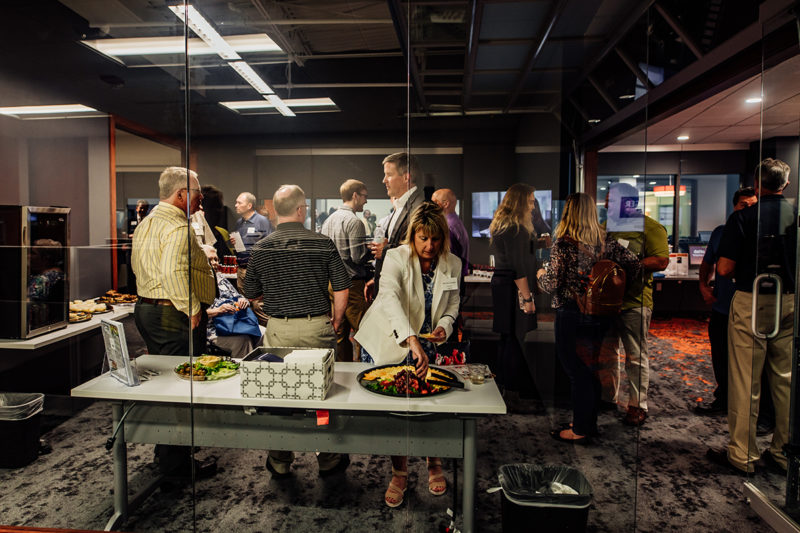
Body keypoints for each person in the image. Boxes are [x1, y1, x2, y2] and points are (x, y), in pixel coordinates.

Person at [355, 202, 461, 507]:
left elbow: (452, 305)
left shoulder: (453, 264)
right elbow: (388, 299)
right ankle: (399, 473)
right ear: (412, 236)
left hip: (429, 342)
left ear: (443, 238)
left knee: (432, 407)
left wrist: (444, 325)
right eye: (423, 238)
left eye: (435, 239)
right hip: (394, 338)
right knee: (398, 411)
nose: (429, 246)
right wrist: (412, 339)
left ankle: (433, 464)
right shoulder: (395, 258)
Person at [243, 184, 351, 479]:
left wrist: (272, 305)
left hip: (278, 329)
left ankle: (279, 459)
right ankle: (328, 458)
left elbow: (250, 292)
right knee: (324, 395)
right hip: (318, 325)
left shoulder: (262, 248)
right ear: (301, 210)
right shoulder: (323, 243)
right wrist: (337, 321)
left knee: (279, 396)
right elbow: (342, 288)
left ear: (275, 211)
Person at [707, 158, 796, 475]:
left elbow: (726, 268)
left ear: (757, 184)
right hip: (789, 301)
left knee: (746, 380)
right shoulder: (795, 216)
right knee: (786, 382)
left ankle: (743, 456)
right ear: (785, 185)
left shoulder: (744, 217)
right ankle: (785, 452)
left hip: (752, 299)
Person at [131, 166, 217, 478]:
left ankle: (168, 455)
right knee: (180, 390)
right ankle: (176, 467)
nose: (201, 199)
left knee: (168, 385)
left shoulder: (149, 222)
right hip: (173, 313)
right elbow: (173, 272)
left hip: (150, 309)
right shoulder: (178, 227)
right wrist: (192, 308)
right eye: (197, 193)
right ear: (181, 195)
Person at [537, 193, 641, 443]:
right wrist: (612, 289)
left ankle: (581, 430)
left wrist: (541, 273)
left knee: (576, 371)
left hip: (572, 314)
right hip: (602, 314)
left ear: (568, 213)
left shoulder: (563, 244)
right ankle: (587, 422)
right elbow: (636, 267)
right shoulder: (607, 242)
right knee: (592, 369)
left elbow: (552, 284)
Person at [602, 182, 669, 426]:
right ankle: (607, 397)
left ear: (630, 203)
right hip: (606, 302)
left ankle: (637, 405)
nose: (607, 203)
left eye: (612, 199)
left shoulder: (650, 228)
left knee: (635, 355)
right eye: (607, 199)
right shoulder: (606, 228)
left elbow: (661, 261)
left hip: (635, 302)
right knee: (607, 352)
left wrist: (628, 265)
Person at [695, 187, 757, 415]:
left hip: (751, 308)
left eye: (753, 205)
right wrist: (703, 285)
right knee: (721, 357)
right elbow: (708, 262)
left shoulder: (760, 233)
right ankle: (723, 401)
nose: (748, 209)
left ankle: (750, 409)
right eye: (744, 205)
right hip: (723, 307)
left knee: (748, 360)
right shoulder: (722, 232)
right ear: (734, 206)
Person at [488, 183, 541, 412]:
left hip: (503, 286)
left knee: (507, 340)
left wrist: (536, 244)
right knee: (516, 343)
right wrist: (527, 298)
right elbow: (518, 266)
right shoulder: (517, 228)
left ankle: (504, 391)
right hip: (514, 289)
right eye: (529, 201)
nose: (532, 205)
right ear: (520, 202)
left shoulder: (506, 226)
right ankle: (511, 396)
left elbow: (513, 256)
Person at [320, 179, 371, 362]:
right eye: (365, 196)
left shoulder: (328, 221)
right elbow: (357, 258)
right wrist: (371, 250)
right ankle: (365, 369)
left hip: (333, 284)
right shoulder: (354, 222)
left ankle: (343, 370)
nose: (366, 201)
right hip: (352, 285)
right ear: (355, 195)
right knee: (365, 330)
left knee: (339, 332)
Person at [366, 152, 424, 300]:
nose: (384, 180)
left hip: (404, 296)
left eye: (389, 175)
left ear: (406, 177)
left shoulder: (419, 208)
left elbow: (424, 252)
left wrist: (385, 251)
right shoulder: (400, 206)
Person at [206, 266, 263, 358]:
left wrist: (243, 300)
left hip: (235, 322)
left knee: (263, 334)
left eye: (216, 259)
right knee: (243, 341)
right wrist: (218, 310)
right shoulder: (199, 283)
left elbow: (237, 295)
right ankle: (243, 370)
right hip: (213, 328)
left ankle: (260, 367)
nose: (214, 263)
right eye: (210, 260)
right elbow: (194, 314)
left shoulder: (220, 277)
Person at [231, 192, 274, 291]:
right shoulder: (239, 223)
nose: (236, 205)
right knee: (243, 303)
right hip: (241, 270)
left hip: (256, 271)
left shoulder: (263, 221)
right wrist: (235, 242)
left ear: (249, 206)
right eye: (236, 202)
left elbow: (270, 245)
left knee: (258, 304)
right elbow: (242, 245)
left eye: (239, 203)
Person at [432, 188, 470, 276]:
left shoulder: (447, 227)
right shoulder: (457, 223)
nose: (431, 206)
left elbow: (448, 259)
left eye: (434, 202)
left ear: (445, 204)